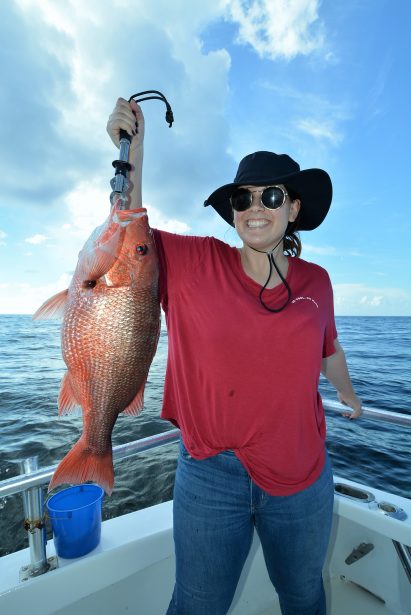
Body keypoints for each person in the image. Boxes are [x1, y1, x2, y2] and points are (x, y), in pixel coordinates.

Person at [107, 98, 363, 615]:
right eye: (242, 200)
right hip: (208, 474)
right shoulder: (192, 260)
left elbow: (327, 348)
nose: (255, 208)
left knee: (304, 598)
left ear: (293, 209)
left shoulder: (318, 283)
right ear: (232, 212)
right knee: (197, 606)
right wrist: (131, 149)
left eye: (270, 196)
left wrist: (346, 390)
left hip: (300, 476)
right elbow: (126, 227)